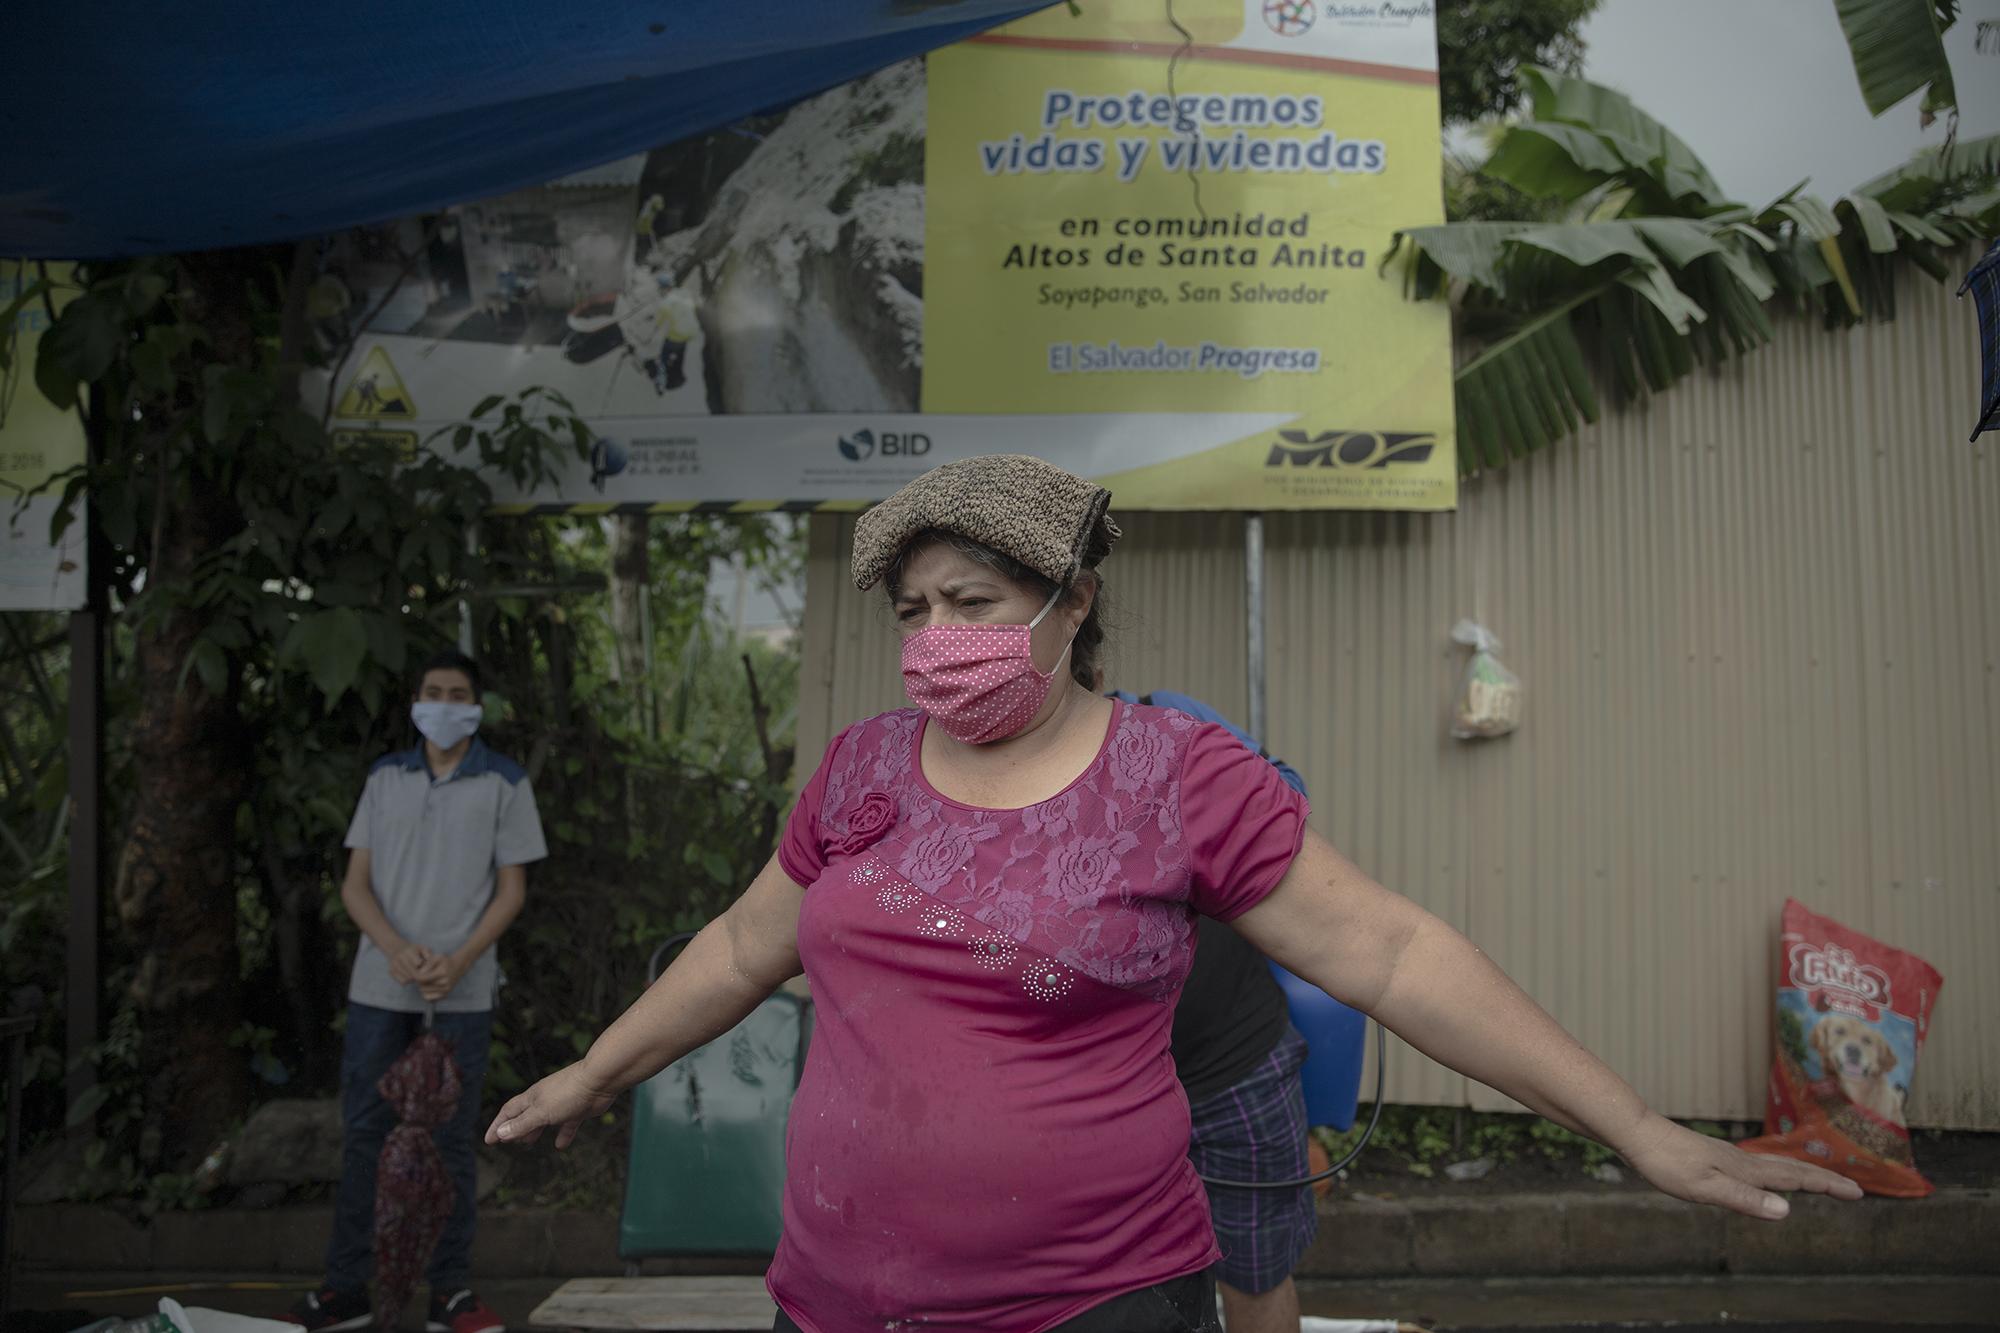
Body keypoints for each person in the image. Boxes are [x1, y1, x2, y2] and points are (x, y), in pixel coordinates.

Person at [486, 455, 1859, 1333]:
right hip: (835, 1301)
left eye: (969, 600)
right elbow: (739, 947)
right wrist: (594, 1071)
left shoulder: (1175, 775)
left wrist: (1637, 1127)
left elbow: (1389, 952)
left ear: (1071, 603)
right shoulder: (862, 772)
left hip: (1095, 1305)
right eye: (910, 613)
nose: (933, 641)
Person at [288, 649, 548, 1333]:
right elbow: (354, 884)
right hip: (381, 987)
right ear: (415, 700)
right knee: (366, 1135)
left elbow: (512, 891)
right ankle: (346, 1287)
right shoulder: (385, 778)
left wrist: (461, 958)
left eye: (457, 692)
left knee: (451, 1141)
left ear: (477, 705)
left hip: (462, 993)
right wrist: (396, 948)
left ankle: (450, 1292)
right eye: (432, 690)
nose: (443, 702)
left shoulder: (505, 782)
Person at [1101, 683, 1314, 1333]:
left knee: (1256, 1271)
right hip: (1096, 1092)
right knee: (1104, 1287)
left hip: (1235, 1065)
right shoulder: (972, 780)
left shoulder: (1167, 721)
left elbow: (1288, 801)